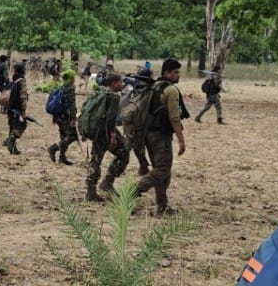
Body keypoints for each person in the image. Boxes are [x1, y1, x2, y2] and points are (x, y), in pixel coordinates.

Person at [135, 58, 188, 216]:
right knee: (162, 169)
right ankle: (133, 191)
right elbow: (174, 117)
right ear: (167, 73)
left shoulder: (155, 86)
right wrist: (181, 140)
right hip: (160, 135)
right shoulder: (170, 90)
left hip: (147, 134)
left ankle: (162, 206)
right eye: (175, 72)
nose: (178, 75)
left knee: (162, 170)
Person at [85, 73, 131, 202]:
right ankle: (107, 182)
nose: (122, 85)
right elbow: (111, 118)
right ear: (114, 83)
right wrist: (112, 136)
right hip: (106, 132)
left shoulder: (100, 92)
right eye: (120, 82)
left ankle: (91, 190)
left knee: (95, 160)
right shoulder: (113, 97)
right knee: (124, 152)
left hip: (97, 131)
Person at [46, 69, 78, 165]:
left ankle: (62, 157)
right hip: (66, 116)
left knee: (63, 135)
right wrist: (73, 118)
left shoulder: (62, 86)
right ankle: (53, 148)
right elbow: (72, 104)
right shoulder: (70, 88)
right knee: (72, 136)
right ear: (71, 78)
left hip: (59, 115)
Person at [2, 62, 28, 155]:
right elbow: (23, 97)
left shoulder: (13, 80)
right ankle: (10, 140)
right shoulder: (22, 81)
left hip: (11, 108)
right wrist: (24, 110)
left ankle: (12, 148)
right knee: (22, 125)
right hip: (18, 109)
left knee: (12, 126)